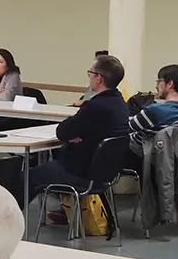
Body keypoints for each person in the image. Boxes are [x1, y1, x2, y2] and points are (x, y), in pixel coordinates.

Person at [25, 53, 130, 214]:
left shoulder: (95, 107)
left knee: (26, 178)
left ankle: (4, 221)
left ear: (99, 78)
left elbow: (62, 131)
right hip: (104, 174)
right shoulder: (120, 103)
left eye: (90, 73)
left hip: (79, 173)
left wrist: (76, 134)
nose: (89, 77)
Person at [128, 64, 178, 148]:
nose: (156, 86)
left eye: (159, 81)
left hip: (140, 153)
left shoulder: (154, 110)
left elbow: (129, 126)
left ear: (170, 83)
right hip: (163, 155)